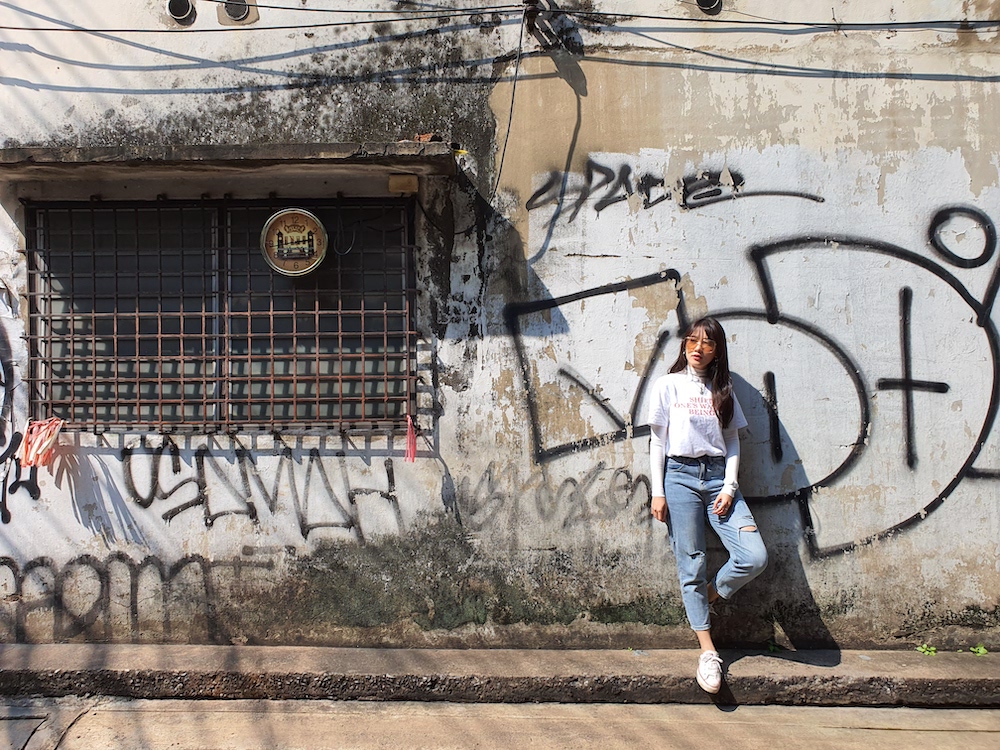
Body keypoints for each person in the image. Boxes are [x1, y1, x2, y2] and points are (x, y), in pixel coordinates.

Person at [647, 316, 768, 694]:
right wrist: (658, 491)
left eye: (708, 343)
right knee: (692, 562)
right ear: (684, 345)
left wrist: (730, 486)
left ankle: (709, 594)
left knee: (754, 556)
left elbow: (732, 441)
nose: (699, 348)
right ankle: (708, 652)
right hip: (679, 477)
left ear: (717, 351)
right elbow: (658, 441)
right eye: (693, 341)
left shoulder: (723, 389)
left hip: (718, 479)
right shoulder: (668, 385)